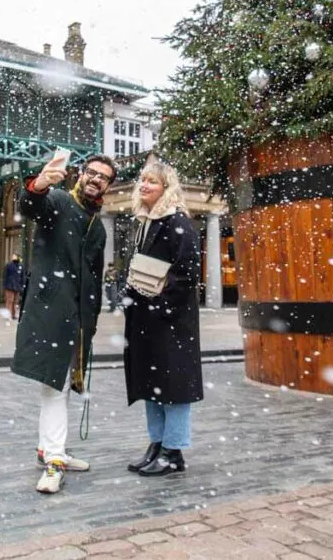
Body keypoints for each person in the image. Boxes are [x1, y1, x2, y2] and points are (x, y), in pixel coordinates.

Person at [11, 152, 116, 494]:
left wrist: (93, 320)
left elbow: (95, 278)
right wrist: (39, 184)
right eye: (92, 172)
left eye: (104, 177)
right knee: (54, 386)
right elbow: (31, 206)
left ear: (108, 186)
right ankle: (55, 460)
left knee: (63, 385)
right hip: (50, 313)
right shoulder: (57, 201)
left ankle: (48, 449)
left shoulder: (97, 226)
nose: (96, 178)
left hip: (79, 320)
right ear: (80, 174)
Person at [123, 159, 203, 477]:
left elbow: (186, 275)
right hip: (148, 320)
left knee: (173, 387)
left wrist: (160, 307)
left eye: (152, 181)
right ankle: (157, 445)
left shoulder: (177, 222)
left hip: (170, 323)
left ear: (166, 188)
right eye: (142, 180)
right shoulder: (147, 222)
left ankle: (173, 451)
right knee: (151, 383)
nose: (144, 185)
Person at [2, 254, 25, 320]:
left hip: (16, 286)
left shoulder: (21, 266)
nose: (13, 257)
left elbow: (22, 276)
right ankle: (8, 314)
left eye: (15, 256)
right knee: (10, 300)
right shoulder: (9, 265)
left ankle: (13, 314)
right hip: (10, 285)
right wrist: (5, 285)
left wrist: (22, 286)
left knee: (15, 301)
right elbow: (5, 276)